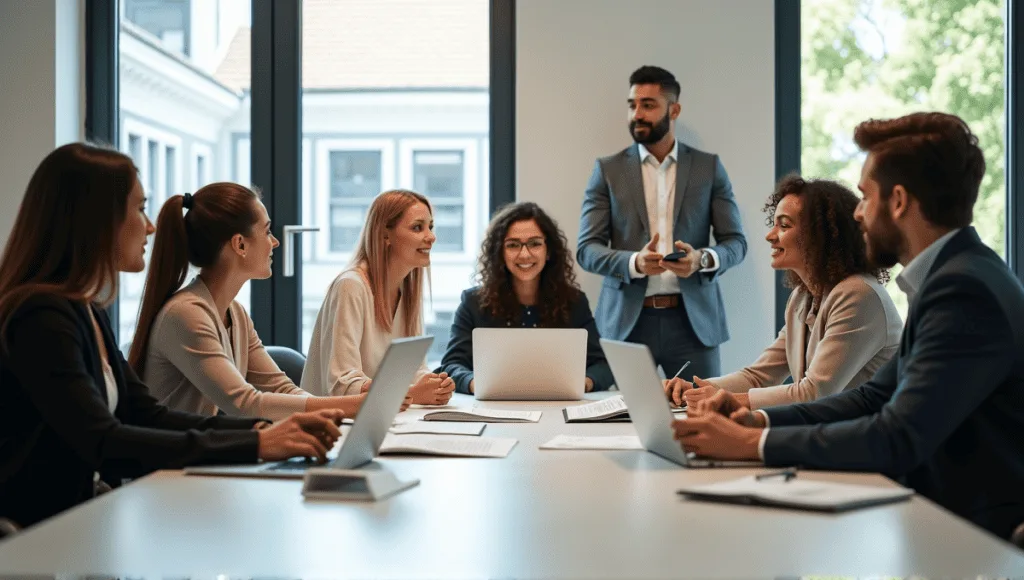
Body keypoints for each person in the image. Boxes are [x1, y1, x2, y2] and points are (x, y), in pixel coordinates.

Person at [672, 113, 1024, 540]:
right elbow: (872, 398)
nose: (857, 214)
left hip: (968, 533)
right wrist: (757, 421)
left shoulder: (963, 289)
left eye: (864, 197)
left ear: (897, 201)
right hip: (935, 515)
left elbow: (898, 436)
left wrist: (749, 445)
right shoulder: (955, 275)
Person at [0, 143, 343, 528]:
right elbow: (104, 442)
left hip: (81, 520)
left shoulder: (86, 311)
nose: (149, 226)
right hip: (40, 537)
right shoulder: (42, 318)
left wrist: (264, 432)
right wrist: (259, 442)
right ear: (98, 219)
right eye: (139, 208)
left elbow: (149, 415)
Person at [129, 183, 395, 422]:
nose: (275, 242)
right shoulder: (186, 314)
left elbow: (281, 388)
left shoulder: (235, 313)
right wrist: (353, 406)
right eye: (267, 231)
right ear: (240, 245)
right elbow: (244, 403)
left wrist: (334, 413)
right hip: (168, 471)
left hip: (197, 459)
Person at [663, 175, 902, 409]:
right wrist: (695, 391)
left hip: (864, 442)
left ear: (821, 235)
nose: (770, 235)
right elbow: (757, 377)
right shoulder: (802, 297)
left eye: (784, 225)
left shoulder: (858, 295)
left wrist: (725, 400)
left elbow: (813, 393)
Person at [576, 65, 747, 381]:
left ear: (674, 109)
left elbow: (736, 243)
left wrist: (703, 259)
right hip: (627, 323)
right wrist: (634, 263)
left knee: (699, 416)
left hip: (693, 325)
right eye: (632, 105)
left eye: (648, 105)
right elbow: (586, 250)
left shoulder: (708, 168)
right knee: (616, 422)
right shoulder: (608, 170)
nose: (637, 114)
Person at [437, 202, 613, 394]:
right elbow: (451, 365)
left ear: (549, 251)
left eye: (535, 243)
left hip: (558, 408)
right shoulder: (473, 302)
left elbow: (603, 366)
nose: (524, 254)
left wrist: (584, 383)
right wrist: (474, 383)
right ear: (499, 253)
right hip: (493, 410)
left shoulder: (574, 302)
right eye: (513, 245)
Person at [301, 189, 455, 405]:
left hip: (383, 417)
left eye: (431, 227)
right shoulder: (351, 286)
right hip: (334, 424)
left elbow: (413, 370)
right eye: (417, 227)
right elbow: (342, 383)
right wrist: (411, 393)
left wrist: (431, 383)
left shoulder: (408, 289)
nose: (431, 237)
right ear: (385, 235)